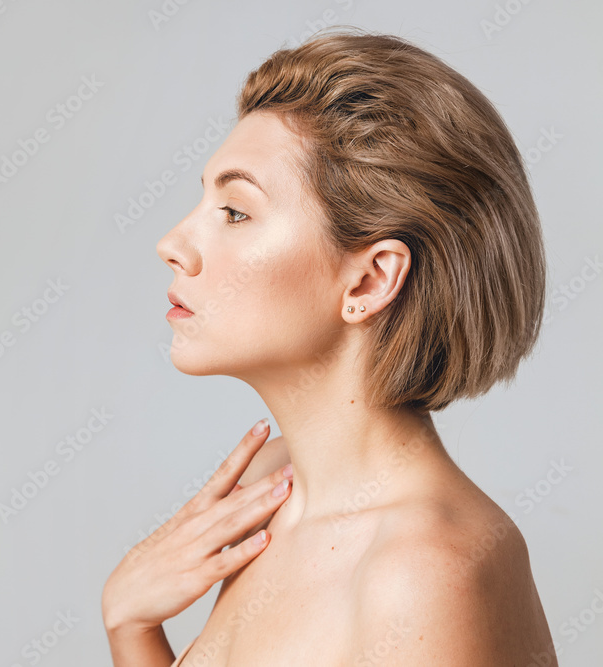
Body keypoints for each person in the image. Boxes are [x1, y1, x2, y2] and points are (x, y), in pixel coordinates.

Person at [102, 27, 557, 666]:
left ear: (370, 279)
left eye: (235, 212)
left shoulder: (427, 570)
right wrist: (131, 626)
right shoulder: (270, 490)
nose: (173, 242)